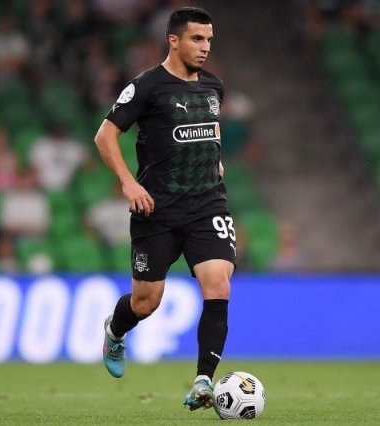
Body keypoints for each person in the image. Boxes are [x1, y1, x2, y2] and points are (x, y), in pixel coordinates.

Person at [94, 7, 235, 412]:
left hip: (207, 204)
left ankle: (204, 380)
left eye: (209, 40)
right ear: (174, 41)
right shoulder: (147, 87)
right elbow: (105, 136)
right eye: (197, 39)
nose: (205, 47)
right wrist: (128, 182)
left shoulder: (214, 87)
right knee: (146, 302)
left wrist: (215, 160)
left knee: (218, 284)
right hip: (156, 209)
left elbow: (211, 130)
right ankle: (115, 329)